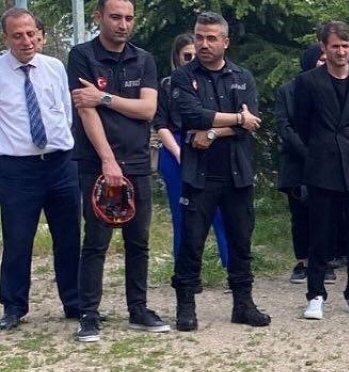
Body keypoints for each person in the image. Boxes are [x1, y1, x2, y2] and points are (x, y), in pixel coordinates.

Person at [69, 0, 167, 342]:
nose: (123, 24)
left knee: (138, 241)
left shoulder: (145, 59)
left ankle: (138, 310)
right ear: (99, 17)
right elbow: (85, 110)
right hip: (97, 163)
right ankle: (89, 315)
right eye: (115, 17)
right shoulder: (82, 55)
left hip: (138, 162)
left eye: (128, 18)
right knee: (96, 242)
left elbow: (148, 109)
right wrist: (108, 161)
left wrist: (105, 97)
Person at [167, 11, 270, 331]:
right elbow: (190, 115)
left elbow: (252, 122)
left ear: (226, 42)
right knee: (191, 242)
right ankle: (186, 306)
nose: (203, 44)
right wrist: (237, 120)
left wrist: (213, 131)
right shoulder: (184, 77)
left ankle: (243, 304)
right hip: (199, 175)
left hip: (237, 173)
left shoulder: (243, 76)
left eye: (211, 38)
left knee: (241, 241)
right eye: (199, 37)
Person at [0, 7, 80, 331]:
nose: (26, 40)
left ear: (39, 34)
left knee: (69, 236)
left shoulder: (54, 67)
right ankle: (13, 307)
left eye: (31, 33)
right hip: (17, 169)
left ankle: (74, 303)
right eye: (17, 35)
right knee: (18, 240)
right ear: (6, 38)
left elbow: (66, 111)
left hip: (60, 164)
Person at [295, 20, 349, 321]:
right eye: (335, 46)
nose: (341, 51)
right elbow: (302, 124)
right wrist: (323, 147)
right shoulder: (307, 82)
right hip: (323, 165)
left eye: (345, 46)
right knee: (320, 235)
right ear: (324, 48)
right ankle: (316, 294)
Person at [155, 34, 229, 273]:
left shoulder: (214, 83)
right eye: (187, 56)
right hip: (174, 147)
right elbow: (161, 124)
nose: (192, 60)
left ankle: (231, 267)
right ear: (177, 57)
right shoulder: (167, 85)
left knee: (221, 211)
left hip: (210, 144)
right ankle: (185, 272)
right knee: (183, 214)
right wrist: (178, 152)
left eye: (195, 55)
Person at [276, 44, 334, 284]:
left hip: (328, 158)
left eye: (325, 59)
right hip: (297, 160)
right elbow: (284, 125)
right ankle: (303, 261)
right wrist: (307, 151)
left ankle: (325, 260)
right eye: (319, 59)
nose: (323, 63)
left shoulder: (335, 86)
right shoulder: (288, 90)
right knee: (300, 212)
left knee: (327, 212)